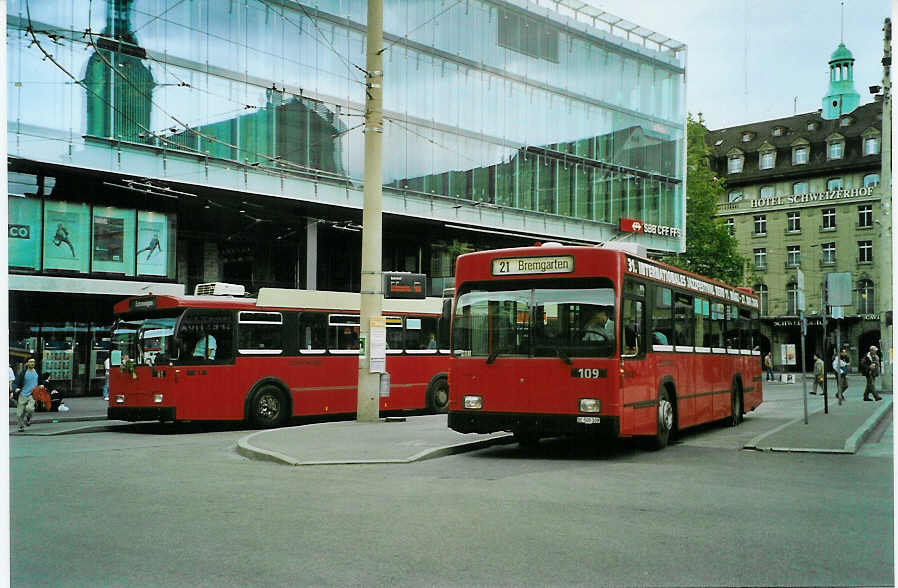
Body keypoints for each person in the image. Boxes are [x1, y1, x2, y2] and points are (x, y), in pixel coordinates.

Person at [12, 357, 46, 432]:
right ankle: (21, 426)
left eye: (33, 362)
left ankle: (28, 418)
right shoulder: (23, 373)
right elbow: (15, 382)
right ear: (27, 363)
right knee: (19, 413)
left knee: (30, 409)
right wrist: (15, 389)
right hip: (23, 394)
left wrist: (41, 385)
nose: (32, 363)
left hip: (32, 395)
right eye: (30, 362)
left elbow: (41, 381)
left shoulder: (37, 372)